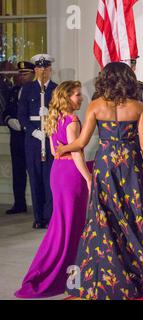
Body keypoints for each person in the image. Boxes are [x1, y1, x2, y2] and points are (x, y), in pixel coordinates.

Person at [56, 62, 143, 300]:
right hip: (130, 166)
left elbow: (82, 142)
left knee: (104, 220)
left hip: (105, 166)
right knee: (132, 217)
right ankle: (136, 274)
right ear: (129, 80)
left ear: (104, 80)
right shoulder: (138, 107)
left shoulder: (95, 105)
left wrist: (63, 147)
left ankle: (106, 277)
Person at [15, 81, 92, 298]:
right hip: (71, 175)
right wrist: (87, 177)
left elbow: (54, 150)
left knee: (62, 226)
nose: (81, 98)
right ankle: (69, 277)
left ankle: (59, 274)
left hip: (57, 173)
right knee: (71, 228)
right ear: (67, 98)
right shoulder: (72, 121)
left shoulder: (53, 118)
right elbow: (76, 153)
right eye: (77, 95)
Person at [18, 54, 58, 229]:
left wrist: (49, 116)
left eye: (46, 68)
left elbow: (62, 114)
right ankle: (38, 217)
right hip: (33, 140)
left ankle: (50, 217)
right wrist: (34, 131)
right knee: (35, 178)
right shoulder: (27, 89)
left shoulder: (56, 90)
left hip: (50, 138)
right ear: (35, 70)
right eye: (39, 68)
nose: (43, 71)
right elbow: (21, 115)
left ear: (50, 70)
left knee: (50, 179)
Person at [2, 61, 35, 215]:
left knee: (35, 172)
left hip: (30, 136)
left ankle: (38, 204)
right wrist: (9, 120)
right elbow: (6, 110)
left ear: (33, 74)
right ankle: (19, 203)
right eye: (20, 74)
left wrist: (24, 123)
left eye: (26, 73)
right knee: (18, 172)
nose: (22, 77)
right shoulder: (14, 90)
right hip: (16, 138)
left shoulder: (36, 90)